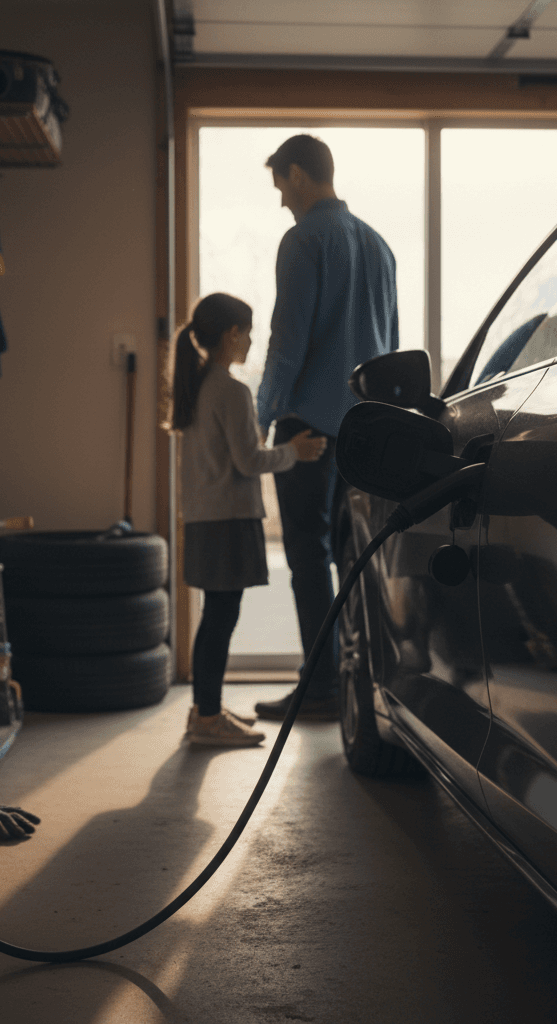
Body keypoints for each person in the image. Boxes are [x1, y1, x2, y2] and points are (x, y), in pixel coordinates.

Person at [254, 134, 399, 722]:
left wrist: (260, 418)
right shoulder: (381, 246)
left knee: (310, 559)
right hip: (368, 432)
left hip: (307, 431)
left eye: (281, 188)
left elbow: (288, 342)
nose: (282, 202)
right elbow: (388, 345)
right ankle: (360, 688)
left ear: (298, 175)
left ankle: (317, 691)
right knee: (355, 561)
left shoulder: (304, 239)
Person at [171, 293, 327, 746]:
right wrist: (294, 452)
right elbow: (248, 461)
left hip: (204, 519)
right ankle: (206, 719)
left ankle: (207, 711)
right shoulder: (231, 389)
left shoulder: (197, 385)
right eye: (249, 332)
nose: (252, 341)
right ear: (231, 334)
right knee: (221, 617)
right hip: (229, 519)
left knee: (216, 615)